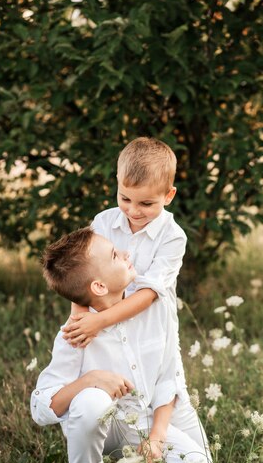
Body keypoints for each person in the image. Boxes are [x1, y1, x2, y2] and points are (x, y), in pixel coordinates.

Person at [31, 227, 217, 463]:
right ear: (100, 287)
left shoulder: (153, 313)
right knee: (93, 401)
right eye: (116, 255)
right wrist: (90, 380)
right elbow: (42, 408)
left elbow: (167, 380)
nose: (127, 254)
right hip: (97, 425)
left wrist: (156, 437)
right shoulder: (76, 332)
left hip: (140, 424)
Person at [62, 137, 186, 391]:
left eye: (146, 203)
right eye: (125, 198)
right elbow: (83, 270)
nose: (133, 210)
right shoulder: (104, 222)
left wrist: (100, 321)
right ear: (117, 185)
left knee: (159, 390)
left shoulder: (172, 236)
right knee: (112, 387)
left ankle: (158, 430)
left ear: (169, 195)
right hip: (103, 323)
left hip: (150, 325)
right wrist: (81, 320)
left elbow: (149, 294)